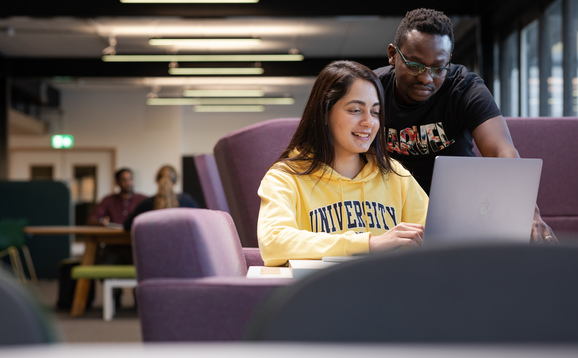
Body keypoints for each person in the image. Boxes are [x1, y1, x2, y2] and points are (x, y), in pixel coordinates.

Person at [373, 8, 557, 244]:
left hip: (456, 211)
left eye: (438, 68)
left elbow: (501, 151)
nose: (426, 78)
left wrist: (528, 215)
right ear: (392, 54)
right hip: (388, 211)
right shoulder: (372, 89)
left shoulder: (464, 89)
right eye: (415, 65)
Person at [257, 60, 429, 267]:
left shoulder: (395, 175)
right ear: (324, 113)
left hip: (388, 292)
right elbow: (273, 243)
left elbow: (439, 237)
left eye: (375, 112)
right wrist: (368, 244)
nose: (369, 122)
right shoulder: (285, 176)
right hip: (320, 294)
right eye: (356, 110)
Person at [123, 164, 199, 231]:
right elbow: (200, 223)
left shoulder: (146, 204)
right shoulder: (187, 201)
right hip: (182, 246)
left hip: (152, 246)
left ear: (156, 180)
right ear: (176, 181)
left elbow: (127, 226)